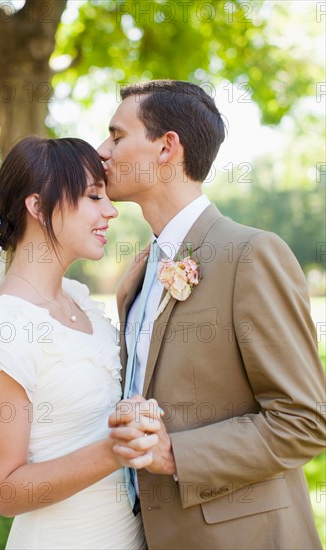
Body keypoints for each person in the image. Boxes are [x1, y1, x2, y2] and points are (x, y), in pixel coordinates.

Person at [97, 80, 326, 550]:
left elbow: (305, 421)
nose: (102, 151)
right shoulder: (138, 273)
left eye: (117, 136)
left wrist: (173, 454)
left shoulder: (251, 254)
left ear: (166, 147)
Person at [0, 136, 158, 549]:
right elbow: (5, 490)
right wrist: (116, 450)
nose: (111, 210)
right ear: (38, 206)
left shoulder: (80, 300)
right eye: (93, 196)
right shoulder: (3, 325)